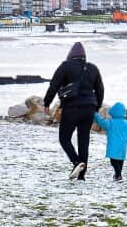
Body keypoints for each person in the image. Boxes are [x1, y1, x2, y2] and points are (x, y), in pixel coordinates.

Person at [43, 42, 104, 181]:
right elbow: (100, 89)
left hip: (71, 108)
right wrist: (97, 107)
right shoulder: (92, 68)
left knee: (64, 138)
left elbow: (54, 85)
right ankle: (81, 175)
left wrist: (47, 103)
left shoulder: (65, 66)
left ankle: (76, 162)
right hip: (88, 108)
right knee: (84, 141)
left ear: (70, 54)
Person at [93, 102, 127, 182]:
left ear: (113, 112)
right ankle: (118, 175)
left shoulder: (110, 123)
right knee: (120, 161)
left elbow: (101, 121)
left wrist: (95, 114)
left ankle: (118, 175)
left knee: (113, 161)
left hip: (113, 147)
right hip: (122, 148)